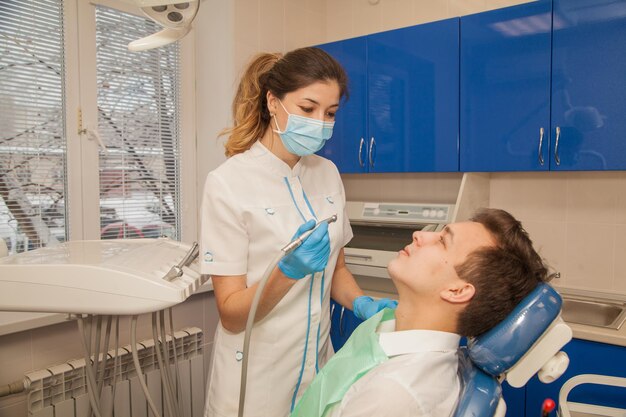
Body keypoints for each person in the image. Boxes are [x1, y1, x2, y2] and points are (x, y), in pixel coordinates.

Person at [199, 47, 397, 417]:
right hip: (255, 379)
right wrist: (286, 272)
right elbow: (230, 314)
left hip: (318, 368)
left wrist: (362, 303)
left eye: (331, 113)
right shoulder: (228, 183)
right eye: (308, 109)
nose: (320, 122)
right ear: (273, 102)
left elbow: (336, 271)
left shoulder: (327, 174)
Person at [291, 208, 550, 417]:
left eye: (442, 241)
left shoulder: (393, 395)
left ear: (457, 291)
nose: (420, 235)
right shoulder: (391, 330)